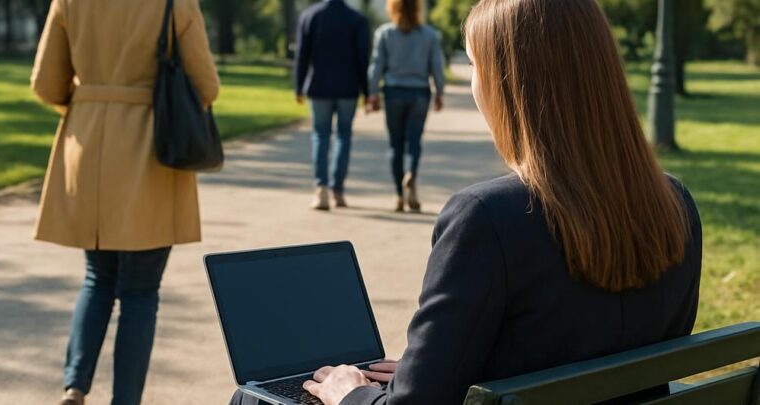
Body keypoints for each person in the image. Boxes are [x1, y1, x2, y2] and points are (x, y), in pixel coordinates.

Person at [229, 0, 703, 403]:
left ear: (508, 82)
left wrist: (350, 391)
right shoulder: (675, 205)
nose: (474, 83)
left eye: (475, 65)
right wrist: (426, 372)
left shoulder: (487, 219)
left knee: (251, 397)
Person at [30, 0, 219, 404]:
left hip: (88, 139)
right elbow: (206, 86)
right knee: (140, 289)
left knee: (97, 276)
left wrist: (95, 102)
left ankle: (75, 385)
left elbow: (46, 84)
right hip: (152, 149)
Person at [367, 0, 445, 212]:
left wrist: (373, 93)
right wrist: (439, 92)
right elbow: (437, 67)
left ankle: (399, 196)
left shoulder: (385, 33)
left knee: (396, 144)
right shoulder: (429, 35)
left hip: (393, 91)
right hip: (419, 91)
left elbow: (376, 65)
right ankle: (411, 174)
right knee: (414, 140)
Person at [295, 0, 370, 210]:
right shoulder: (357, 20)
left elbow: (302, 55)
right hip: (348, 88)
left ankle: (321, 189)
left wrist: (298, 86)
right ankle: (338, 190)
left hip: (318, 87)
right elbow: (362, 59)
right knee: (344, 137)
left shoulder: (310, 16)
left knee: (320, 136)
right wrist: (367, 91)